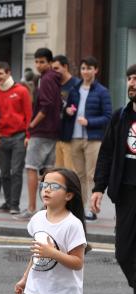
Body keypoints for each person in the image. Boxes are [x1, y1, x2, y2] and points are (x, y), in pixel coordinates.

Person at [90, 63, 136, 294]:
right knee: (123, 252)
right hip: (127, 193)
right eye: (130, 78)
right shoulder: (120, 118)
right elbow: (106, 153)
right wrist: (98, 188)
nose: (132, 83)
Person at [65, 56, 111, 220]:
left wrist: (89, 121)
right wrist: (68, 111)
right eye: (83, 68)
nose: (86, 71)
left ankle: (92, 208)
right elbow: (70, 107)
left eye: (89, 68)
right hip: (75, 136)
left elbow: (107, 116)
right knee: (78, 175)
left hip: (93, 138)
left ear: (95, 70)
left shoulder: (102, 91)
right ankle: (81, 208)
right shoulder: (75, 89)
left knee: (92, 175)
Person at [18, 48, 62, 219]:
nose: (38, 65)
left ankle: (31, 208)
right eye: (36, 61)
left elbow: (46, 105)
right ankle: (48, 209)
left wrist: (31, 124)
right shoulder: (54, 78)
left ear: (50, 63)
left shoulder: (46, 79)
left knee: (31, 168)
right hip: (53, 131)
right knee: (48, 171)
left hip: (41, 130)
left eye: (42, 62)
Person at [0, 61, 32, 215]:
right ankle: (7, 202)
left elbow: (28, 114)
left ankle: (15, 204)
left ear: (8, 73)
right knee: (4, 172)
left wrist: (28, 135)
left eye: (1, 73)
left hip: (19, 136)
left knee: (16, 172)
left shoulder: (22, 91)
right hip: (2, 137)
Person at [53, 55, 81, 170]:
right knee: (58, 173)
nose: (53, 72)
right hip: (56, 136)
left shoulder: (77, 84)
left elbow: (78, 107)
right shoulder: (53, 84)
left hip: (71, 136)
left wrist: (71, 109)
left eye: (56, 68)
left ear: (65, 67)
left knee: (71, 173)